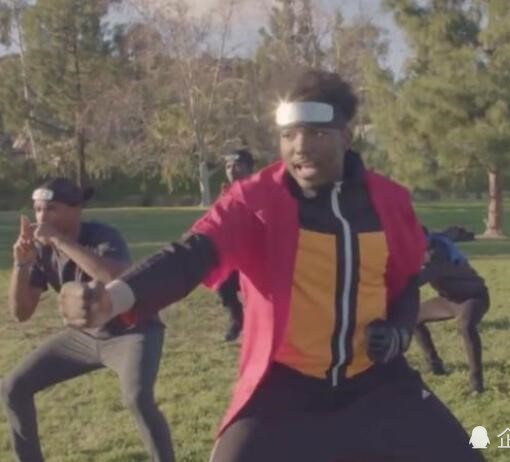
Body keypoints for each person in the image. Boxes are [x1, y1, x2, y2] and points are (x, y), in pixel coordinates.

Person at [56, 71, 483, 462]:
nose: (300, 146)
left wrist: (399, 333)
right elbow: (188, 255)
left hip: (377, 386)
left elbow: (405, 282)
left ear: (346, 136)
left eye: (316, 133)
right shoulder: (254, 200)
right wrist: (112, 300)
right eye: (289, 135)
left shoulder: (389, 201)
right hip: (283, 390)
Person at [0, 178, 174, 462]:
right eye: (38, 209)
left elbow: (116, 277)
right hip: (85, 336)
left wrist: (60, 241)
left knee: (137, 398)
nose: (42, 217)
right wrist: (22, 264)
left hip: (133, 331)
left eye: (51, 209)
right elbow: (21, 313)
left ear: (76, 209)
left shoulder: (103, 236)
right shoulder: (42, 250)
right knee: (13, 387)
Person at [415, 229, 489, 394]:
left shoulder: (437, 255)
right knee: (414, 317)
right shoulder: (430, 247)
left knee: (466, 326)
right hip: (449, 300)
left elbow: (416, 280)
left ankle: (476, 383)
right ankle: (434, 364)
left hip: (474, 297)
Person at [218, 149, 255, 341]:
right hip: (232, 253)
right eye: (228, 166)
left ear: (249, 168)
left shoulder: (259, 190)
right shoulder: (225, 193)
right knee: (223, 282)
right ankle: (236, 318)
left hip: (255, 253)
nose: (232, 170)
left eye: (237, 165)